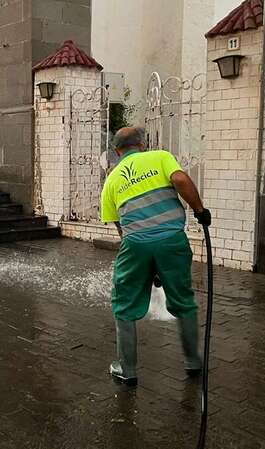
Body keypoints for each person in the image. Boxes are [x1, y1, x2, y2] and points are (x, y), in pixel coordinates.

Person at [100, 126, 212, 386]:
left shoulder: (112, 180)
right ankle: (193, 362)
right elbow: (181, 180)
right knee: (183, 299)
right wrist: (199, 210)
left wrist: (144, 264)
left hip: (135, 244)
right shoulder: (159, 157)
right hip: (172, 241)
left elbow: (121, 229)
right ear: (141, 144)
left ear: (117, 152)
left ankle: (127, 370)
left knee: (124, 305)